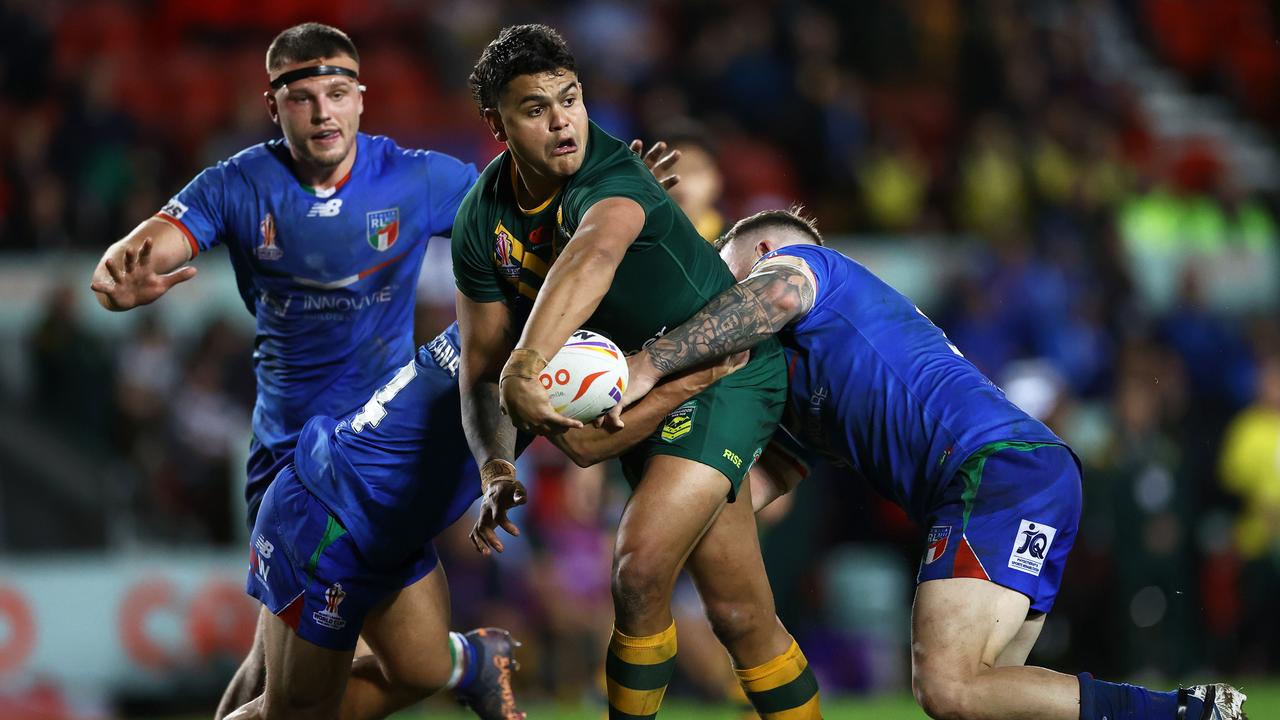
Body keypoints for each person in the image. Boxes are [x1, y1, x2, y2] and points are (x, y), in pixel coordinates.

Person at [622, 207, 1250, 720]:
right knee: (990, 700)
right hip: (1024, 473)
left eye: (728, 280)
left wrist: (647, 366)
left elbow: (770, 299)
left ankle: (1186, 714)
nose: (724, 301)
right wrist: (667, 506)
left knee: (948, 688)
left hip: (990, 470)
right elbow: (754, 486)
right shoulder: (801, 384)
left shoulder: (805, 269)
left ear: (760, 259)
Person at [87, 22, 514, 719]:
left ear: (361, 99)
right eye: (305, 97)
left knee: (416, 666)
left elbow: (523, 214)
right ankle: (468, 660)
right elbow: (140, 251)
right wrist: (117, 279)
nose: (323, 112)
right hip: (291, 455)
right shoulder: (238, 184)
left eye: (338, 93)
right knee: (277, 681)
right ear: (274, 106)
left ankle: (469, 659)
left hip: (381, 455)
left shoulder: (415, 178)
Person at [452, 25, 822, 720]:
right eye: (535, 109)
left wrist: (528, 365)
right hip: (633, 390)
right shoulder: (479, 221)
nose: (562, 121)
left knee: (639, 567)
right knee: (740, 614)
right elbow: (479, 368)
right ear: (495, 123)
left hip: (722, 370)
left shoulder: (615, 175)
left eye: (570, 99)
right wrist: (496, 466)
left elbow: (593, 253)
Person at [223, 322, 738, 720]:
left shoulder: (517, 320)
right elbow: (585, 444)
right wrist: (688, 381)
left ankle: (474, 657)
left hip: (394, 530)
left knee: (422, 669)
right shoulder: (522, 345)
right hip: (332, 515)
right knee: (293, 710)